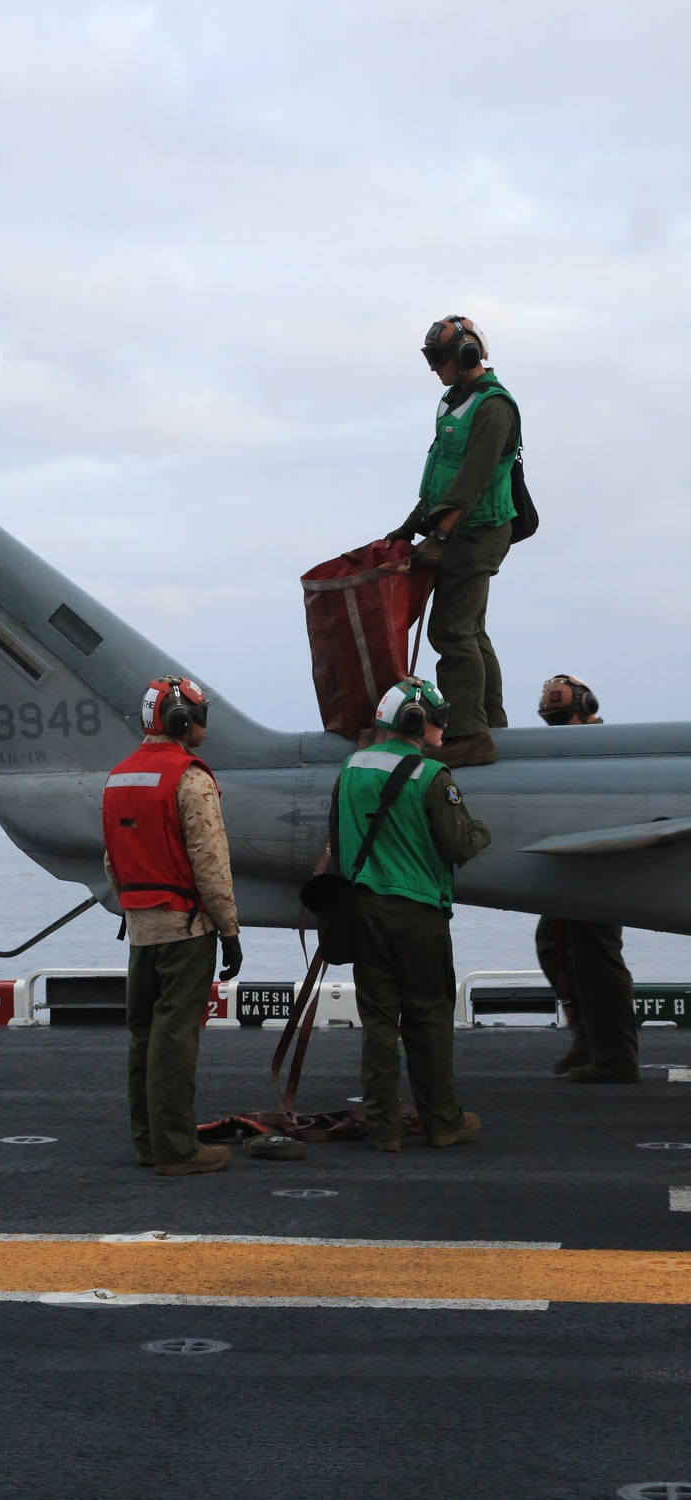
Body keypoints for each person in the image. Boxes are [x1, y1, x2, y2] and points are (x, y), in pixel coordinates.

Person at [329, 678, 490, 1149]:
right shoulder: (432, 777)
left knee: (379, 1020)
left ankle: (384, 1130)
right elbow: (460, 844)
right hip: (419, 916)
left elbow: (339, 844)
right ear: (416, 722)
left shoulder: (351, 769)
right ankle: (442, 1122)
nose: (443, 728)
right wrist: (482, 831)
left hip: (365, 910)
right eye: (438, 719)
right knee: (429, 1017)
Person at [102, 676, 242, 1177]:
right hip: (185, 930)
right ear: (180, 719)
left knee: (144, 1035)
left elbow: (111, 863)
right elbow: (210, 862)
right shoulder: (190, 778)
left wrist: (136, 911)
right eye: (198, 713)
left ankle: (148, 1142)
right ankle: (178, 1150)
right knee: (176, 1037)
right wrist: (228, 929)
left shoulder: (119, 778)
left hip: (140, 930)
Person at [389, 316, 522, 769]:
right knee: (471, 629)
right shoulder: (453, 400)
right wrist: (413, 523)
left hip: (478, 532)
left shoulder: (494, 407)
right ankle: (490, 723)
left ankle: (468, 735)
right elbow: (442, 469)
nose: (433, 368)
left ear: (466, 355)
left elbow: (473, 479)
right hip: (459, 529)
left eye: (437, 358)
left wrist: (439, 537)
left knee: (450, 630)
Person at [534, 677, 640, 1083]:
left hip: (601, 864)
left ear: (587, 709)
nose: (557, 729)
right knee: (552, 942)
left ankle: (615, 1057)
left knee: (597, 953)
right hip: (576, 864)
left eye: (563, 719)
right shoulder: (572, 751)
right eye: (552, 721)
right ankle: (588, 1037)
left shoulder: (605, 750)